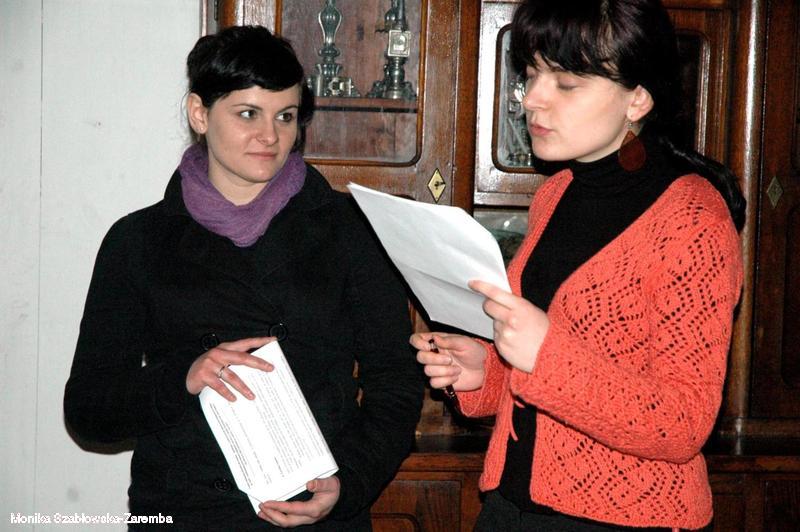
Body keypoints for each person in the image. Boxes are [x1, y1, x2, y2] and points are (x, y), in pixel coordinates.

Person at [64, 25, 424, 531]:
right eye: (248, 114)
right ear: (199, 113)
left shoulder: (350, 229)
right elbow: (88, 410)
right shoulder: (138, 240)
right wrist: (184, 378)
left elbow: (396, 384)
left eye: (286, 116)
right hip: (183, 509)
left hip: (315, 511)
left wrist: (347, 483)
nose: (270, 136)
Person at [412, 0, 745, 530]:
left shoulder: (693, 219)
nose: (532, 99)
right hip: (510, 507)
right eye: (531, 74)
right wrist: (482, 373)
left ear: (638, 98)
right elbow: (546, 378)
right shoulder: (555, 194)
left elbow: (683, 423)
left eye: (566, 83)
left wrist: (544, 355)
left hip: (627, 519)